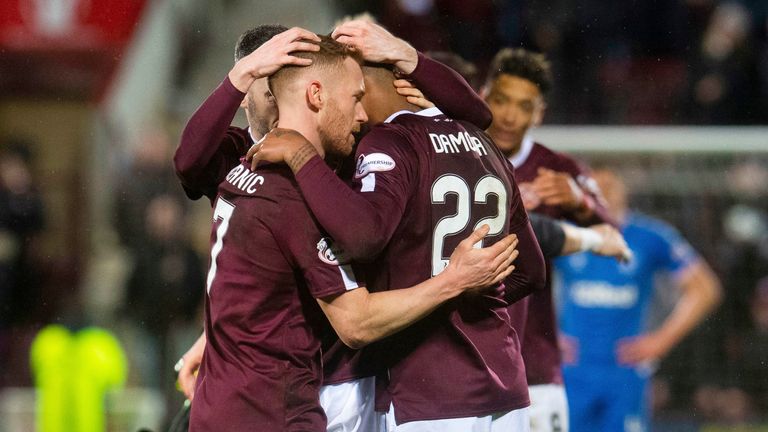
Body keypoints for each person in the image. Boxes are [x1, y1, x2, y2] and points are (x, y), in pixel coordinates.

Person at [174, 24, 513, 431]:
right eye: (268, 88)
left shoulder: (336, 143)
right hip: (285, 389)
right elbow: (188, 165)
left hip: (333, 376)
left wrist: (406, 56)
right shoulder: (245, 159)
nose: (362, 112)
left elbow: (477, 118)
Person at [480, 47, 615, 432]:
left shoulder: (558, 170)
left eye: (523, 106)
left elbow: (613, 234)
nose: (508, 115)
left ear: (539, 113)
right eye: (501, 100)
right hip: (461, 360)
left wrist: (579, 200)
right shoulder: (459, 152)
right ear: (483, 94)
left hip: (533, 362)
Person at [555, 168, 722, 432]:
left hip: (625, 373)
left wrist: (661, 341)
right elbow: (521, 283)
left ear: (624, 190)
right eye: (596, 182)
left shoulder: (651, 237)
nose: (604, 189)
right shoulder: (564, 235)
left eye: (611, 182)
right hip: (572, 372)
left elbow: (706, 289)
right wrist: (545, 336)